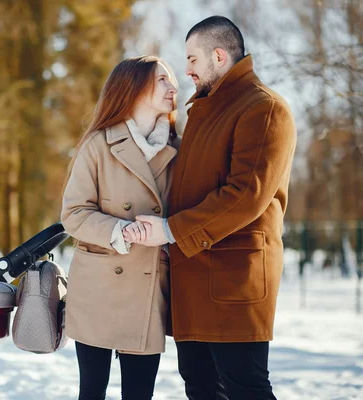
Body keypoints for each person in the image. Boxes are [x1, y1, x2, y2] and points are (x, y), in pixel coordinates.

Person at [126, 16, 297, 400]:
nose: (186, 70)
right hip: (193, 283)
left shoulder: (263, 108)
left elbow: (245, 195)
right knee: (200, 387)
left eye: (191, 59)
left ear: (218, 56)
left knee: (244, 388)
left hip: (234, 283)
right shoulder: (204, 112)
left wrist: (169, 230)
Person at [61, 55, 179, 400]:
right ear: (134, 87)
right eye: (162, 80)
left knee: (140, 394)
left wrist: (166, 230)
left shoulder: (178, 150)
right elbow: (74, 213)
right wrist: (119, 231)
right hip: (98, 288)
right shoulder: (98, 145)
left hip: (148, 288)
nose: (173, 87)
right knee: (91, 392)